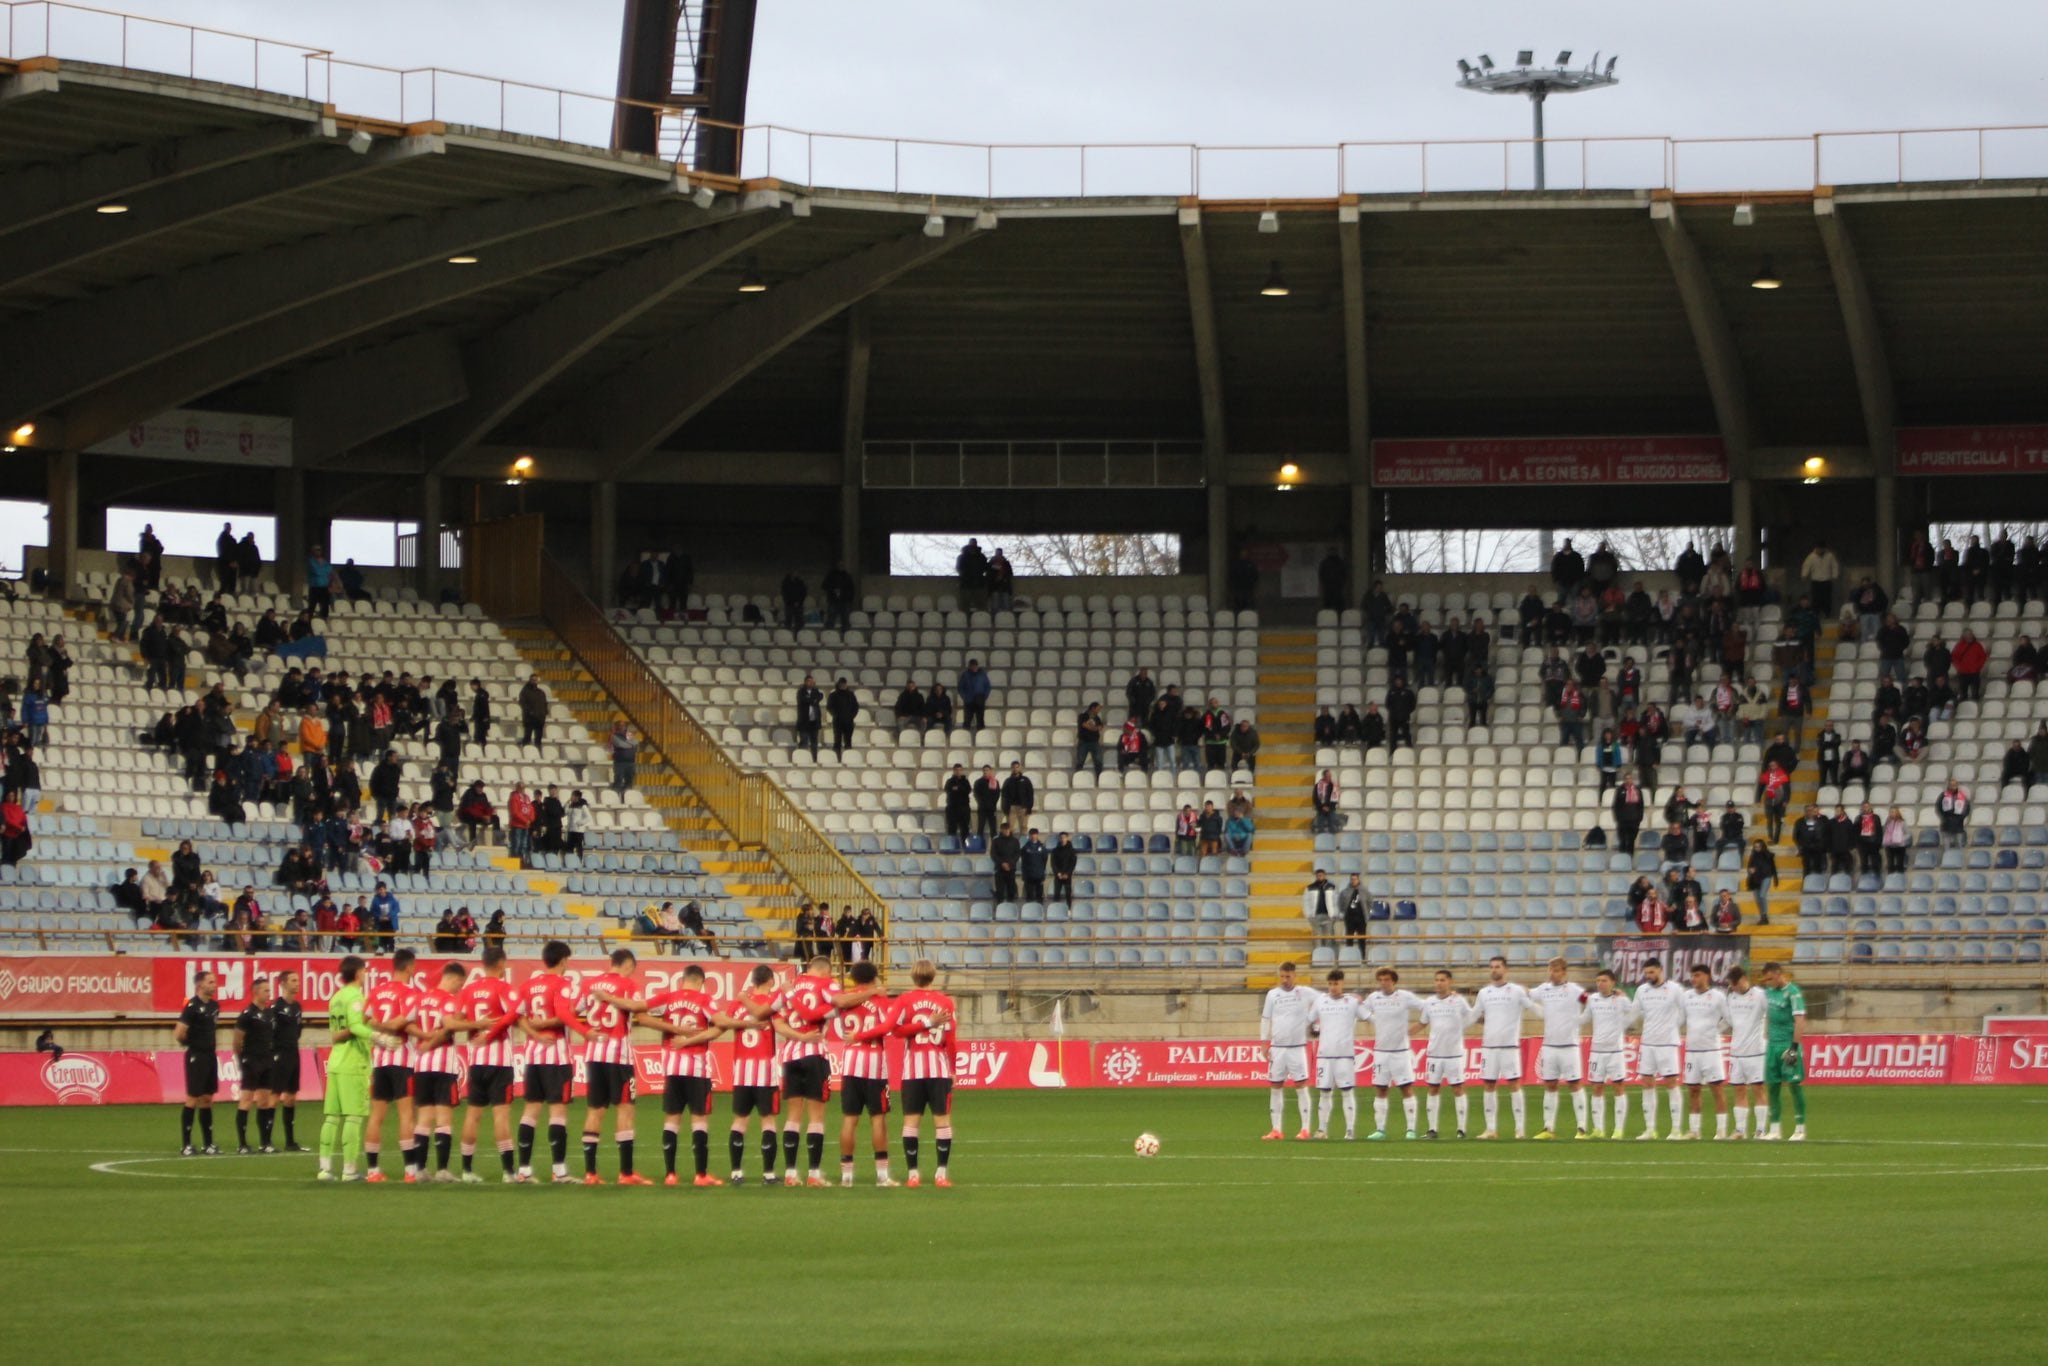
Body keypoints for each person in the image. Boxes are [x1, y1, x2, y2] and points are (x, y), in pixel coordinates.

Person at [642, 962, 732, 1186]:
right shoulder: (704, 1000)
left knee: (672, 1119)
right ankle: (701, 1175)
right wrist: (697, 1036)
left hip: (671, 1067)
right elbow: (721, 1023)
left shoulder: (668, 997)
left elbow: (641, 1017)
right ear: (701, 981)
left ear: (683, 979)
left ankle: (670, 1174)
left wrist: (673, 1029)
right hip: (697, 1067)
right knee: (699, 1120)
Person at [575, 949, 654, 1185]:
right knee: (625, 1109)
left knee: (595, 1111)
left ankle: (590, 1173)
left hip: (593, 1054)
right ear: (627, 964)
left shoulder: (590, 984)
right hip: (618, 1056)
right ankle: (626, 1173)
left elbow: (573, 1010)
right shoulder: (627, 984)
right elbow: (640, 1007)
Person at [514, 940, 586, 1184]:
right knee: (557, 1113)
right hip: (557, 1057)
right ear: (564, 960)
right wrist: (549, 1024)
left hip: (533, 1056)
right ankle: (559, 1171)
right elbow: (564, 1016)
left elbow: (518, 1017)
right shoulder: (563, 984)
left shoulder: (529, 985)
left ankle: (523, 1170)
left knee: (530, 1112)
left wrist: (534, 1033)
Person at [451, 946, 520, 1182]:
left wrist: (475, 1025)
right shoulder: (503, 987)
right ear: (501, 963)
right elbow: (515, 1013)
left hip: (476, 1061)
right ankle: (509, 1172)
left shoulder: (469, 990)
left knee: (473, 1115)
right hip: (499, 1062)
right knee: (501, 1115)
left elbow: (454, 1021)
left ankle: (467, 1170)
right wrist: (490, 1033)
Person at [891, 958, 959, 1187]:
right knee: (942, 1121)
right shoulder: (946, 1003)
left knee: (911, 1122)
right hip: (939, 1070)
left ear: (913, 976)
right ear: (933, 976)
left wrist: (922, 1024)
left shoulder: (904, 1000)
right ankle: (941, 1173)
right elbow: (950, 1040)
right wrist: (953, 1068)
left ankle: (913, 1174)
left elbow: (897, 1031)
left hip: (912, 1072)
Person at [724, 964, 786, 1185]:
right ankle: (768, 1173)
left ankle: (736, 1172)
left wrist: (741, 1018)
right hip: (765, 1071)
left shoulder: (739, 1003)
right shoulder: (770, 1005)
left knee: (740, 1120)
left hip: (741, 1071)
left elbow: (722, 1021)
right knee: (768, 1120)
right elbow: (779, 1026)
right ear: (770, 981)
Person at [406, 963, 468, 1182]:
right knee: (443, 1120)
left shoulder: (420, 998)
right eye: (460, 984)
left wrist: (423, 1037)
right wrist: (431, 1041)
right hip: (442, 1065)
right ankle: (442, 1169)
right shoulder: (448, 1000)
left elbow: (407, 1024)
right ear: (453, 979)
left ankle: (420, 1169)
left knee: (423, 1119)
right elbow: (449, 1028)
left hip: (421, 1065)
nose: (460, 988)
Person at [315, 956, 375, 1181]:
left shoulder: (336, 997)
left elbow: (337, 1032)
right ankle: (349, 1169)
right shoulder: (357, 997)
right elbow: (356, 1026)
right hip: (353, 1061)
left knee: (331, 1117)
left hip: (336, 1060)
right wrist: (376, 1036)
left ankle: (325, 1168)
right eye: (364, 971)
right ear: (359, 973)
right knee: (354, 1116)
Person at [1472, 958, 1537, 1141]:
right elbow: (1477, 1015)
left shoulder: (1516, 991)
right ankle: (1491, 1129)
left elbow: (1531, 1006)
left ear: (1505, 969)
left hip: (1509, 1046)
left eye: (1497, 967)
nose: (1494, 970)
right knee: (1489, 1085)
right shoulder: (1484, 993)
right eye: (1491, 967)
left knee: (1514, 1085)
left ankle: (1520, 1129)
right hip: (1489, 1046)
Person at [1527, 958, 1591, 1140]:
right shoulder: (1544, 989)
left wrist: (1581, 1019)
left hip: (1569, 1046)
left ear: (1564, 972)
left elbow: (1591, 1002)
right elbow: (1527, 995)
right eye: (1550, 969)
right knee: (1550, 1085)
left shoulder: (1574, 990)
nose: (1551, 973)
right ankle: (1548, 1127)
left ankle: (1582, 1128)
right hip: (1550, 1046)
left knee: (1574, 1085)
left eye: (1555, 970)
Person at [1361, 968, 1424, 1140]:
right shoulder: (1374, 998)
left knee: (1406, 1088)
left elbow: (1426, 1006)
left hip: (1400, 1052)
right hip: (1381, 1052)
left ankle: (1411, 1129)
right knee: (1381, 1089)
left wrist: (1420, 1025)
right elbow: (1360, 1010)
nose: (1383, 982)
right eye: (1380, 979)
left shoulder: (1404, 996)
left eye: (1387, 979)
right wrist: (1365, 1011)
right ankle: (1380, 1129)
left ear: (1393, 981)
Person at [1259, 962, 1318, 1141]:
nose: (1285, 980)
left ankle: (1305, 1129)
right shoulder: (1272, 994)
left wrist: (1314, 1021)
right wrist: (1264, 1042)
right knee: (1276, 1087)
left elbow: (1324, 1000)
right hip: (1277, 1048)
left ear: (1294, 975)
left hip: (1297, 1047)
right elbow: (1266, 1018)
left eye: (1288, 976)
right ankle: (1276, 1129)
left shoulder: (1305, 992)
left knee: (1300, 1086)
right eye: (1282, 976)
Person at [1631, 959, 1687, 1140]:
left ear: (1661, 970)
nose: (1649, 976)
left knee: (1671, 1083)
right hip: (1648, 1043)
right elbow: (1634, 1012)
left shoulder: (1675, 989)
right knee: (1647, 1083)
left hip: (1667, 1044)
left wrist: (1673, 1027)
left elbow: (1684, 1011)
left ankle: (1676, 1130)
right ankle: (1650, 1129)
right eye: (1646, 973)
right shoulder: (1642, 990)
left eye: (1652, 972)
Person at [1583, 970, 1640, 1139]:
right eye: (1598, 980)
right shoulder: (1592, 1000)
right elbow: (1585, 1018)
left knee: (1618, 1087)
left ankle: (1618, 1129)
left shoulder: (1620, 1000)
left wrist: (1622, 1025)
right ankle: (1598, 1129)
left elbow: (1635, 1012)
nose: (1600, 983)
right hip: (1597, 1051)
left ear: (1613, 982)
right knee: (1597, 1088)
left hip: (1615, 1051)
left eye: (1604, 980)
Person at [1416, 971, 1473, 1139]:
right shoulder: (1429, 1003)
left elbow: (1472, 1016)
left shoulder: (1458, 1001)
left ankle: (1461, 1129)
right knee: (1433, 1088)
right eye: (1436, 980)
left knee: (1458, 1088)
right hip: (1435, 1053)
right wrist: (1403, 1034)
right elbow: (1422, 1023)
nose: (1439, 983)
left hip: (1454, 1053)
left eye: (1442, 980)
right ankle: (1432, 1129)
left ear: (1450, 982)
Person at [1308, 970, 1364, 1141]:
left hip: (1344, 1054)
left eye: (1336, 983)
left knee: (1346, 1092)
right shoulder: (1320, 1001)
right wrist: (1313, 1029)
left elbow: (1368, 1015)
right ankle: (1322, 1129)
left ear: (1342, 984)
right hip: (1324, 1054)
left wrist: (1363, 1000)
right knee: (1324, 1093)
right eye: (1330, 984)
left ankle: (1349, 1130)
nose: (1333, 987)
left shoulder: (1352, 1002)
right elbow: (1309, 1021)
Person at [1678, 965, 1731, 1141]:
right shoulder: (1687, 997)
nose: (1693, 979)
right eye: (1692, 975)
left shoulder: (1718, 997)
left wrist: (1716, 1030)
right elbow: (1680, 1019)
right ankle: (1694, 1131)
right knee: (1693, 1090)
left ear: (1707, 976)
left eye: (1697, 975)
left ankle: (1721, 1131)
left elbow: (1729, 1019)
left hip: (1711, 1050)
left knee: (1717, 1089)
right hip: (1692, 1050)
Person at [174, 969, 221, 1156]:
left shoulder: (215, 1006)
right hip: (196, 1056)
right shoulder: (192, 1006)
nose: (214, 985)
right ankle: (186, 1144)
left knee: (207, 1098)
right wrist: (192, 1045)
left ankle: (208, 1143)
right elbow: (179, 1033)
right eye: (210, 982)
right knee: (192, 1098)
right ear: (200, 985)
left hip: (210, 1056)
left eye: (215, 982)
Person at [1759, 961, 1808, 1141]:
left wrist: (1794, 1048)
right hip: (1772, 1045)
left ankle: (1800, 1128)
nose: (1769, 982)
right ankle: (1775, 1129)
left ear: (1779, 974)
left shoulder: (1793, 993)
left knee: (1794, 1086)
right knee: (1772, 1086)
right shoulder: (1768, 992)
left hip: (1787, 1044)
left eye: (1771, 978)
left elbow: (1800, 1021)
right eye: (1767, 979)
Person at [231, 975, 278, 1154]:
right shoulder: (247, 1014)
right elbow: (237, 1042)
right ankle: (242, 1144)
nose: (269, 994)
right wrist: (243, 1059)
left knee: (265, 1101)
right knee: (246, 1101)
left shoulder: (269, 1013)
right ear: (256, 992)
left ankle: (265, 1142)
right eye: (266, 991)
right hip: (251, 1061)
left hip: (267, 1061)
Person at [1611, 773, 1645, 855]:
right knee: (1622, 840)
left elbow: (1641, 805)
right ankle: (1622, 859)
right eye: (1626, 778)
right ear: (1624, 780)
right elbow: (1616, 805)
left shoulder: (1637, 790)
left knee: (1631, 841)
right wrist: (1618, 818)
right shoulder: (1620, 790)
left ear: (1632, 779)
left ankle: (1630, 858)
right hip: (1623, 820)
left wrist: (1639, 818)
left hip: (1634, 819)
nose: (1628, 780)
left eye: (1630, 778)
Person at [826, 677, 860, 757]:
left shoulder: (851, 695)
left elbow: (856, 707)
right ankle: (837, 758)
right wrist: (836, 714)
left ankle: (848, 758)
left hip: (848, 722)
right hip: (837, 721)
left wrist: (851, 716)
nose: (843, 685)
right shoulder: (833, 695)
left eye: (844, 684)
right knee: (837, 742)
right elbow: (829, 707)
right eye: (841, 684)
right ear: (839, 684)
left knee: (848, 742)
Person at [1746, 838, 1778, 925]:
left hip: (1766, 877)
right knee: (1757, 899)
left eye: (1758, 847)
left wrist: (1775, 878)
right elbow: (1749, 867)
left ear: (1762, 847)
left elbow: (1773, 867)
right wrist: (1750, 871)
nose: (1757, 849)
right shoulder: (1753, 856)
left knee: (1762, 895)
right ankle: (1762, 916)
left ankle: (1764, 915)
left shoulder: (1768, 855)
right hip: (1756, 879)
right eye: (1755, 847)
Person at [1301, 869, 1338, 944]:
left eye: (1321, 875)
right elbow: (1305, 902)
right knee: (1317, 936)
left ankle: (1328, 952)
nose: (1320, 877)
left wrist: (1335, 914)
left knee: (1328, 935)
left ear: (1324, 876)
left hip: (1328, 915)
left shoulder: (1332, 887)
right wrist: (1308, 915)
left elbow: (1336, 901)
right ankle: (1317, 952)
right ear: (1316, 876)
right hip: (1315, 915)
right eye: (1318, 875)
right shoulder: (1310, 887)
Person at [793, 673, 823, 758]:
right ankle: (803, 758)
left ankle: (814, 758)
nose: (811, 683)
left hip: (814, 721)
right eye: (809, 681)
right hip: (804, 722)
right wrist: (813, 700)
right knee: (804, 742)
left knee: (814, 743)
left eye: (812, 681)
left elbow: (821, 696)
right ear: (805, 682)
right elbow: (804, 700)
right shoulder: (801, 692)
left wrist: (813, 699)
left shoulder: (815, 691)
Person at [957, 659, 992, 732]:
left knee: (980, 720)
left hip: (980, 700)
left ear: (977, 666)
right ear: (969, 666)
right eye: (972, 666)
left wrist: (984, 697)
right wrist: (965, 697)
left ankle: (981, 736)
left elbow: (987, 686)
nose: (973, 667)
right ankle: (965, 735)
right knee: (967, 720)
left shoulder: (982, 675)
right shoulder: (965, 675)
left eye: (975, 666)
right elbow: (960, 687)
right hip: (969, 701)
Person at [1337, 873, 1368, 953]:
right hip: (1349, 918)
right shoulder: (1345, 892)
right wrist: (1343, 913)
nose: (1353, 881)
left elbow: (1370, 902)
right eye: (1352, 879)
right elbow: (1340, 903)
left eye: (1355, 879)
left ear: (1358, 880)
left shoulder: (1364, 891)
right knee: (1349, 939)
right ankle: (1349, 956)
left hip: (1361, 919)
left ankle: (1363, 958)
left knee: (1362, 940)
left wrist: (1367, 913)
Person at [1000, 761, 1035, 833]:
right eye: (1013, 767)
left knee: (1024, 827)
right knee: (1009, 828)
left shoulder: (1025, 780)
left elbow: (1030, 794)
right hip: (1012, 807)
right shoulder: (1008, 781)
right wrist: (1005, 808)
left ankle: (1023, 843)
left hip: (1023, 807)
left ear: (1020, 768)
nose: (1015, 769)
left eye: (1017, 767)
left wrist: (1029, 807)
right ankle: (1010, 843)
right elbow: (1004, 795)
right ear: (1011, 769)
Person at [1936, 778, 1971, 847]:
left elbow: (1967, 808)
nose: (1952, 787)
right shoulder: (1943, 795)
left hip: (1959, 825)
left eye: (1954, 785)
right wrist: (1944, 817)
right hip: (1946, 824)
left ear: (1957, 785)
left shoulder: (1962, 796)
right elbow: (1939, 807)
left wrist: (1961, 818)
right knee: (1947, 847)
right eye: (1951, 785)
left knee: (1959, 845)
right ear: (1948, 786)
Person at [1018, 828, 1049, 904]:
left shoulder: (1042, 847)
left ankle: (1039, 911)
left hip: (1039, 874)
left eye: (1035, 834)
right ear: (1029, 835)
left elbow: (1045, 859)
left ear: (1037, 835)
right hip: (1028, 875)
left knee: (1039, 895)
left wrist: (1042, 871)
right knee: (1029, 896)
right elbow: (1023, 861)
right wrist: (1024, 874)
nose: (1033, 836)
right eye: (1032, 835)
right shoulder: (1025, 848)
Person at [1074, 701, 1105, 773]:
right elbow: (1085, 725)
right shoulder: (1082, 716)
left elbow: (1101, 727)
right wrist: (1095, 728)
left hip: (1094, 742)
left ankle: (1099, 778)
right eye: (1098, 708)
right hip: (1084, 742)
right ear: (1093, 708)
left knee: (1098, 761)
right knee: (1080, 761)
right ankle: (1077, 777)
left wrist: (1094, 728)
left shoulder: (1097, 718)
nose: (1099, 710)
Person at [972, 765, 1001, 838]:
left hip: (991, 808)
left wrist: (992, 803)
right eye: (984, 770)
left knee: (993, 828)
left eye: (987, 770)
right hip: (982, 808)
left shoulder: (995, 782)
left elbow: (997, 794)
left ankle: (994, 845)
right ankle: (979, 844)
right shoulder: (978, 782)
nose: (986, 772)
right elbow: (976, 794)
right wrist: (981, 803)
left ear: (990, 771)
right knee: (980, 827)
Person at [1050, 832, 1078, 906]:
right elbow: (1053, 863)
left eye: (1064, 837)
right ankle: (1056, 909)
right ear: (1059, 839)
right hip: (1058, 875)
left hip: (1067, 875)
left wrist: (1067, 873)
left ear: (1067, 838)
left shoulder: (1072, 851)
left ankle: (1069, 909)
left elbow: (1072, 863)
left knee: (1068, 893)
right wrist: (1057, 873)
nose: (1063, 839)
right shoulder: (1055, 851)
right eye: (1061, 837)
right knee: (1056, 893)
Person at [1310, 770, 1341, 835]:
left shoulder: (1333, 786)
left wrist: (1328, 807)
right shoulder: (1317, 786)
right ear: (1324, 776)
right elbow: (1315, 798)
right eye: (1328, 776)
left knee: (1332, 824)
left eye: (1330, 776)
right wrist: (1322, 807)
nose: (1330, 777)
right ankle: (1322, 838)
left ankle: (1332, 839)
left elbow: (1335, 798)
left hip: (1331, 808)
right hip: (1321, 809)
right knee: (1320, 825)